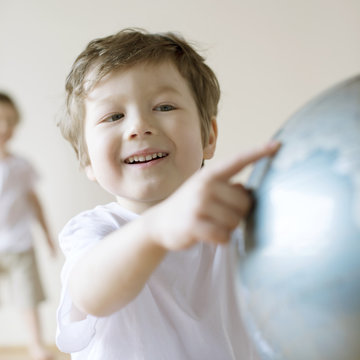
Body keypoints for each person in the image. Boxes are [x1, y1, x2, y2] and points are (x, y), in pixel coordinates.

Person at [56, 28, 280, 360]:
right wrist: (157, 228)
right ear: (87, 160)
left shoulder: (236, 225)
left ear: (209, 136)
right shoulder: (94, 231)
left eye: (164, 106)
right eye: (114, 116)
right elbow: (90, 293)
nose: (138, 126)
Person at [0, 92, 56, 360]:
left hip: (20, 243)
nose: (4, 127)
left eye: (9, 121)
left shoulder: (21, 166)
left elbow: (36, 204)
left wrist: (48, 237)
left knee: (27, 296)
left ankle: (36, 344)